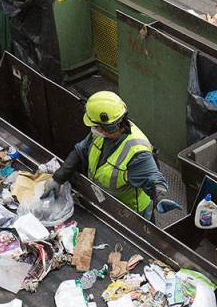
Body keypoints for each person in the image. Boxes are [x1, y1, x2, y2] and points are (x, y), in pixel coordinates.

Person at [44, 91, 179, 220]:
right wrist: (58, 178)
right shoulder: (100, 134)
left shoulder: (137, 151)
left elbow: (153, 179)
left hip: (131, 213)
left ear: (106, 127)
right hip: (105, 203)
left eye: (95, 126)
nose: (92, 129)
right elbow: (80, 151)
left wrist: (160, 198)